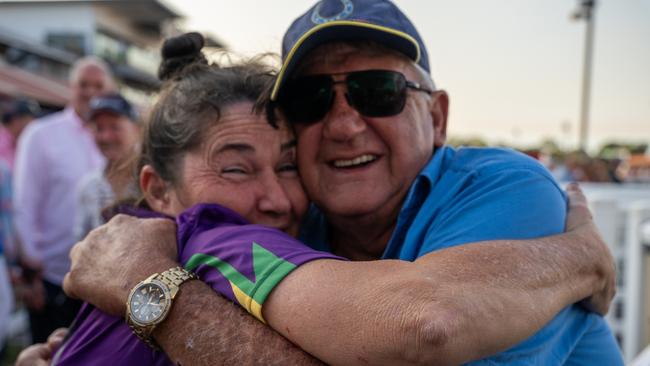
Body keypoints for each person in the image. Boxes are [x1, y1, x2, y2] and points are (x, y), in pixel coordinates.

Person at [64, 4, 620, 365]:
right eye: (311, 100)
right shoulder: (292, 222)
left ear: (440, 117)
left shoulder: (507, 189)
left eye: (378, 91)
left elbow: (428, 323)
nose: (345, 123)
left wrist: (152, 295)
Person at [13, 56, 112, 343]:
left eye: (98, 85)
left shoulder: (117, 137)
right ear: (71, 87)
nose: (91, 92)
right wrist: (32, 273)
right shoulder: (41, 135)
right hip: (53, 278)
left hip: (103, 283)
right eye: (83, 84)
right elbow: (24, 204)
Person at [74, 93, 140, 241]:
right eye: (99, 128)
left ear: (136, 129)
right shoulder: (89, 186)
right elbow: (80, 242)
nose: (105, 137)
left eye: (114, 127)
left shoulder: (154, 181)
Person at [0, 98, 40, 172]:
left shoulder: (22, 141)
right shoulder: (3, 142)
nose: (35, 125)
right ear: (16, 120)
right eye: (29, 120)